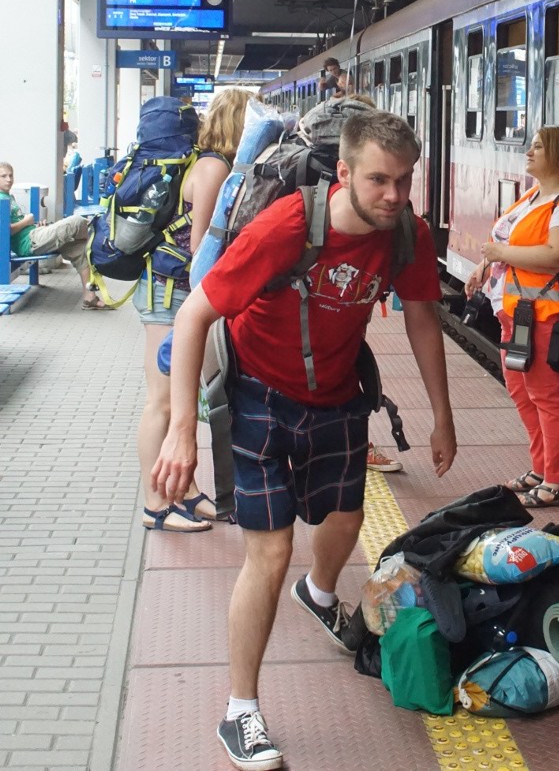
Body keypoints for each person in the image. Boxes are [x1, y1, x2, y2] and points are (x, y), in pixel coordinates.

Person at [153, 108, 456, 771]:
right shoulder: (289, 226)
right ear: (344, 173)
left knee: (347, 517)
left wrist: (443, 412)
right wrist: (182, 431)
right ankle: (241, 710)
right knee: (270, 550)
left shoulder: (407, 233)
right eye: (380, 180)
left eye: (406, 180)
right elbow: (195, 311)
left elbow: (424, 318)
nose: (395, 196)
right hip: (259, 395)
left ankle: (318, 592)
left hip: (339, 396)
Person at [464, 127, 559, 509]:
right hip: (518, 311)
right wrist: (484, 264)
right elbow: (509, 242)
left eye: (538, 146)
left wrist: (499, 253)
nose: (529, 151)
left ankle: (557, 481)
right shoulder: (536, 195)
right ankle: (541, 468)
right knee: (521, 390)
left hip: (551, 314)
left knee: (548, 395)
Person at [136, 88, 251, 534]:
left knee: (178, 399)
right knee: (162, 402)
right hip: (169, 294)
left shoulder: (211, 165)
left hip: (174, 291)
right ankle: (156, 505)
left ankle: (182, 492)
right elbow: (203, 246)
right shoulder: (214, 169)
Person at [0, 161, 102, 308]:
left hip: (35, 234)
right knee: (77, 221)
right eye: (3, 176)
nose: (9, 179)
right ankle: (99, 246)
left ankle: (89, 297)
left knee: (78, 248)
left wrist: (34, 224)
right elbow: (5, 231)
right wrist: (27, 221)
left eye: (11, 175)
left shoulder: (9, 197)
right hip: (29, 242)